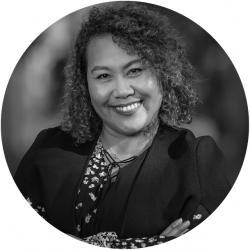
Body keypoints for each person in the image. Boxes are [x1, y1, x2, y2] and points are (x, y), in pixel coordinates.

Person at [14, 2, 231, 248]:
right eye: (103, 76)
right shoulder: (48, 151)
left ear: (163, 72)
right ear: (85, 83)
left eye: (135, 70)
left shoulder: (196, 163)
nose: (121, 90)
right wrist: (141, 243)